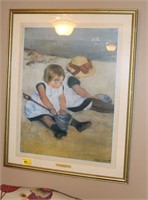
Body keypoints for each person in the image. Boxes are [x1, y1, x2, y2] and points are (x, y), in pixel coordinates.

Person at [24, 64, 91, 139]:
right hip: (39, 108)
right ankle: (57, 130)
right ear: (47, 79)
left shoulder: (60, 86)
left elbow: (62, 98)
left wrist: (63, 109)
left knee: (64, 115)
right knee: (46, 118)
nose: (58, 84)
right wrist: (51, 108)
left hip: (53, 106)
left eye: (61, 82)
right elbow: (43, 97)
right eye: (56, 82)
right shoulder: (41, 85)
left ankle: (78, 125)